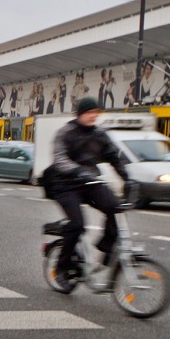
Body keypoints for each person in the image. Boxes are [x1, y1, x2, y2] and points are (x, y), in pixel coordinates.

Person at [47, 97, 131, 290]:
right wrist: (77, 170)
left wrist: (128, 178)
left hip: (90, 182)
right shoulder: (66, 133)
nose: (94, 115)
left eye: (97, 112)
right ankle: (62, 267)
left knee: (115, 207)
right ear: (80, 114)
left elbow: (114, 157)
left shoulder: (100, 134)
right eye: (90, 112)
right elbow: (60, 159)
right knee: (77, 224)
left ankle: (106, 247)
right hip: (65, 184)